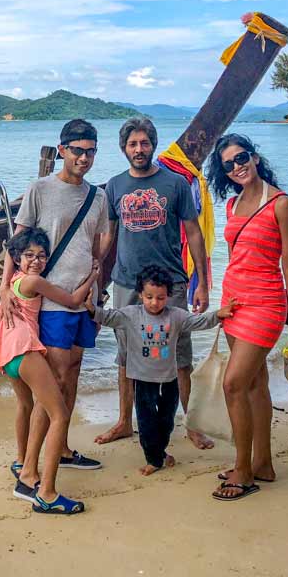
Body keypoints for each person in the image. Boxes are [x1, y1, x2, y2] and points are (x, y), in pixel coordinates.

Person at [0, 118, 111, 471]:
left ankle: (60, 450)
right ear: (62, 150)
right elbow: (17, 242)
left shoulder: (98, 197)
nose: (84, 158)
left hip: (83, 300)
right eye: (77, 150)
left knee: (73, 373)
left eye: (91, 152)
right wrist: (4, 287)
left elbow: (95, 248)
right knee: (56, 379)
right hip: (53, 302)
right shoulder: (41, 189)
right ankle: (33, 462)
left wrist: (99, 290)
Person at [95, 117, 213, 450]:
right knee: (125, 355)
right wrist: (96, 280)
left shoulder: (175, 183)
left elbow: (194, 233)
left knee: (179, 354)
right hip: (126, 283)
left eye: (144, 143)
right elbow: (109, 238)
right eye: (132, 144)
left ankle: (191, 424)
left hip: (171, 282)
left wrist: (201, 283)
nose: (139, 149)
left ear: (153, 145)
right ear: (123, 149)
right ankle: (123, 422)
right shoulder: (114, 186)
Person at [205, 133, 288, 501]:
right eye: (228, 164)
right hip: (234, 303)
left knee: (233, 385)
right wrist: (222, 302)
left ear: (255, 157)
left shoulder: (281, 204)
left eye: (242, 157)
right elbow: (237, 258)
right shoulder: (231, 207)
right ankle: (263, 463)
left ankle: (243, 471)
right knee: (256, 384)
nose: (237, 166)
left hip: (266, 305)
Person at [0, 228, 98, 514]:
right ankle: (46, 493)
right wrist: (93, 277)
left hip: (7, 354)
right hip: (24, 349)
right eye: (29, 256)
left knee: (26, 404)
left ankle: (23, 467)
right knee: (59, 413)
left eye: (41, 256)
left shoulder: (12, 282)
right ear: (16, 257)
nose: (36, 261)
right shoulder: (33, 281)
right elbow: (73, 301)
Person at [93, 266, 236, 475]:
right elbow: (106, 317)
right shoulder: (131, 314)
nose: (154, 302)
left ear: (168, 296)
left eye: (160, 297)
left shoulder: (176, 316)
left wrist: (218, 315)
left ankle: (160, 452)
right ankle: (154, 459)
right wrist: (89, 307)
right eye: (149, 296)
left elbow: (199, 322)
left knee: (166, 422)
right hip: (142, 381)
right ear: (140, 294)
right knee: (146, 423)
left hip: (169, 381)